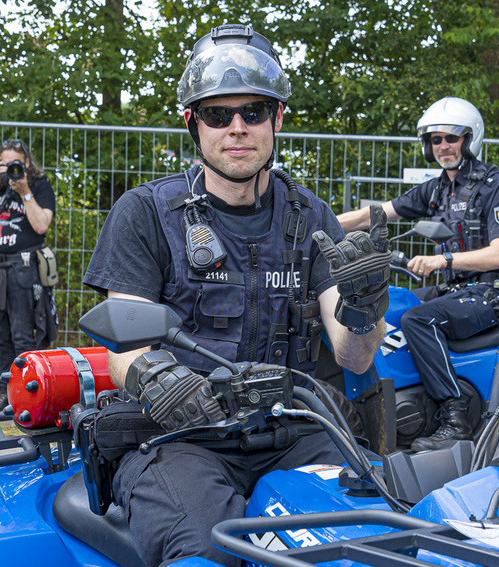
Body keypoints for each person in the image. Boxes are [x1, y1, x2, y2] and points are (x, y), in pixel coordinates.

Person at [82, 23, 389, 566]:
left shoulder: (312, 217)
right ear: (193, 125)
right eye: (218, 115)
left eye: (253, 111)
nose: (237, 128)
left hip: (291, 431)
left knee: (385, 520)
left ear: (276, 120)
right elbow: (120, 347)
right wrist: (156, 380)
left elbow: (352, 355)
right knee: (206, 551)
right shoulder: (146, 212)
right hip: (176, 439)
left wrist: (363, 312)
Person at [337, 97, 499, 452]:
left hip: (497, 293)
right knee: (396, 306)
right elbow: (379, 213)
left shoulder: (497, 185)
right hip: (460, 291)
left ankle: (455, 414)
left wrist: (441, 261)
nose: (443, 146)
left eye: (451, 138)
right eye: (436, 140)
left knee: (417, 320)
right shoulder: (438, 188)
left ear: (469, 139)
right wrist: (322, 226)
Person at [0, 139, 57, 405]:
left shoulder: (39, 185)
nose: (11, 168)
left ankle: (26, 395)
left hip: (22, 270)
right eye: (5, 163)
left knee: (22, 335)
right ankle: (6, 395)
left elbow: (42, 225)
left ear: (27, 163)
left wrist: (25, 192)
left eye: (15, 163)